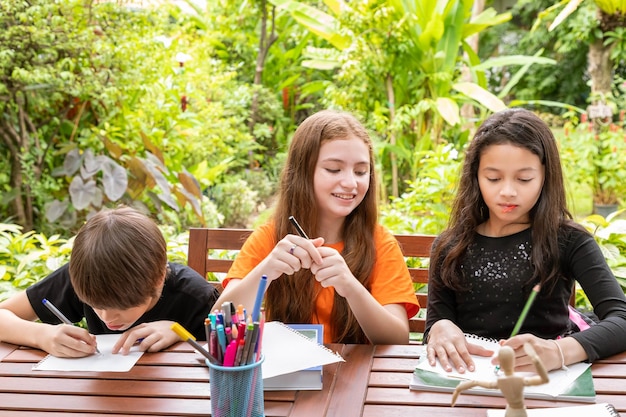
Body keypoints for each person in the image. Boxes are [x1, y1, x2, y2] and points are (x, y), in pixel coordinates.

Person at [424, 108, 626, 374]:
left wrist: (558, 352)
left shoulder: (568, 240)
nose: (507, 191)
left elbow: (621, 319)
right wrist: (439, 328)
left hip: (548, 381)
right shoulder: (450, 246)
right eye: (493, 178)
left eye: (524, 178)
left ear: (545, 176)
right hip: (469, 381)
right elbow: (436, 325)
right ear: (475, 176)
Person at [211, 109, 419, 344]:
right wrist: (266, 270)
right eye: (334, 169)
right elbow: (219, 321)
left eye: (361, 171)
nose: (350, 182)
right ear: (302, 172)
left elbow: (397, 339)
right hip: (286, 376)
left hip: (355, 375)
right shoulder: (270, 238)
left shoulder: (380, 243)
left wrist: (351, 287)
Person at [0, 206, 220, 357]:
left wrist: (181, 333)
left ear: (158, 279)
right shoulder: (89, 274)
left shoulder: (196, 296)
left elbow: (233, 355)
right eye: (96, 305)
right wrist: (41, 335)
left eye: (122, 306)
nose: (106, 317)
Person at [451, 343, 549, 417]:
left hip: (509, 411)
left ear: (500, 362)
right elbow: (544, 379)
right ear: (514, 360)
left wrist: (458, 390)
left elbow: (476, 382)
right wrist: (536, 360)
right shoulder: (520, 380)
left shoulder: (500, 382)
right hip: (521, 412)